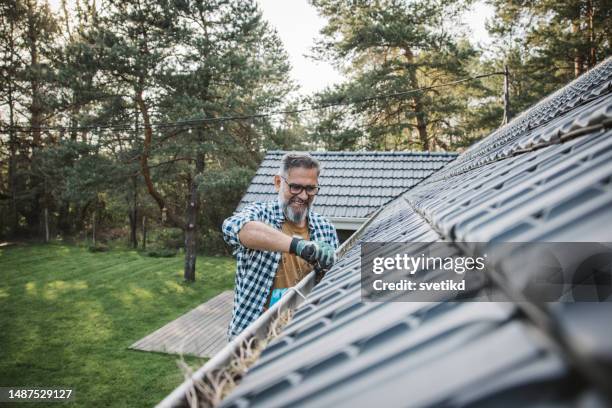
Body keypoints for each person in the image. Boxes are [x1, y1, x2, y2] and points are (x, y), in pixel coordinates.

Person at [222, 152, 339, 340]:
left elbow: (332, 283)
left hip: (303, 334)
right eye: (295, 187)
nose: (303, 195)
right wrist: (299, 246)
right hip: (252, 339)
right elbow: (233, 228)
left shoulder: (325, 228)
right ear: (278, 182)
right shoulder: (260, 214)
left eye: (310, 189)